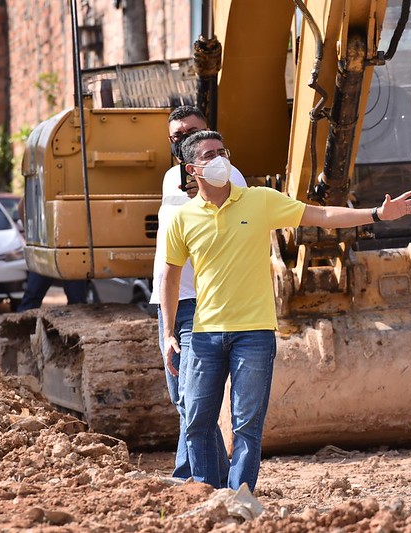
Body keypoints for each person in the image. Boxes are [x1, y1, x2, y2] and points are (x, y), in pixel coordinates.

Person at [159, 130, 411, 491]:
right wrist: (170, 331)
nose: (221, 158)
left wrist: (377, 213)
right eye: (210, 155)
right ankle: (206, 494)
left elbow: (323, 215)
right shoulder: (182, 218)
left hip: (254, 334)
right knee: (197, 422)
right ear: (192, 168)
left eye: (223, 150)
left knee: (246, 426)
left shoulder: (260, 201)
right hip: (205, 334)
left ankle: (240, 498)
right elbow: (170, 278)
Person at [149, 105, 246, 481]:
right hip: (170, 300)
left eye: (192, 131)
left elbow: (238, 214)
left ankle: (188, 478)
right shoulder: (169, 177)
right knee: (182, 398)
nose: (183, 139)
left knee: (194, 398)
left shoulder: (227, 174)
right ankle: (214, 479)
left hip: (202, 301)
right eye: (176, 136)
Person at [15, 195, 87, 311]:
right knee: (33, 297)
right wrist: (31, 234)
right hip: (50, 249)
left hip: (70, 250)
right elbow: (23, 204)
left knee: (77, 300)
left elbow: (23, 204)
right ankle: (20, 327)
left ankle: (77, 326)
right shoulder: (46, 185)